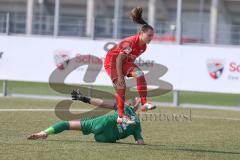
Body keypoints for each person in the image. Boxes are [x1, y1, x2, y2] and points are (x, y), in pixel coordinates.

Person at [27, 90, 144, 144]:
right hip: (105, 139)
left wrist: (84, 99)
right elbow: (140, 142)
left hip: (99, 124)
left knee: (66, 124)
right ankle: (122, 121)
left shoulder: (124, 107)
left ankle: (45, 132)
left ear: (129, 104)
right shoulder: (138, 124)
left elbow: (102, 103)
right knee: (108, 129)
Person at [104, 7, 156, 124]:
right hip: (112, 62)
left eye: (152, 36)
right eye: (149, 35)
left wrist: (128, 71)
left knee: (140, 74)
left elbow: (127, 60)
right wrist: (121, 76)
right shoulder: (130, 43)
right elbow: (118, 59)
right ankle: (121, 115)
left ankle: (144, 104)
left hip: (124, 63)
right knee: (121, 86)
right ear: (141, 33)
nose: (151, 38)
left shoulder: (143, 47)